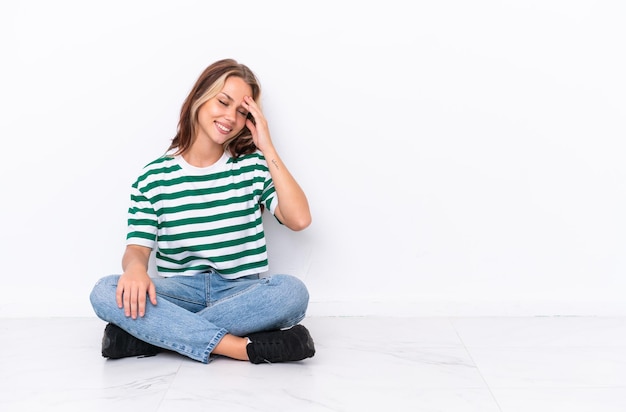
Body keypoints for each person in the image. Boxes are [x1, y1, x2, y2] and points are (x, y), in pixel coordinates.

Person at [89, 58, 315, 365]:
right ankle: (238, 347)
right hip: (179, 291)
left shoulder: (253, 168)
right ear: (199, 98)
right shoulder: (153, 178)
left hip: (241, 292)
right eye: (223, 102)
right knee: (106, 290)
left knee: (292, 292)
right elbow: (136, 250)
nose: (230, 117)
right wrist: (135, 270)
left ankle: (147, 335)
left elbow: (300, 219)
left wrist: (268, 147)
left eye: (242, 112)